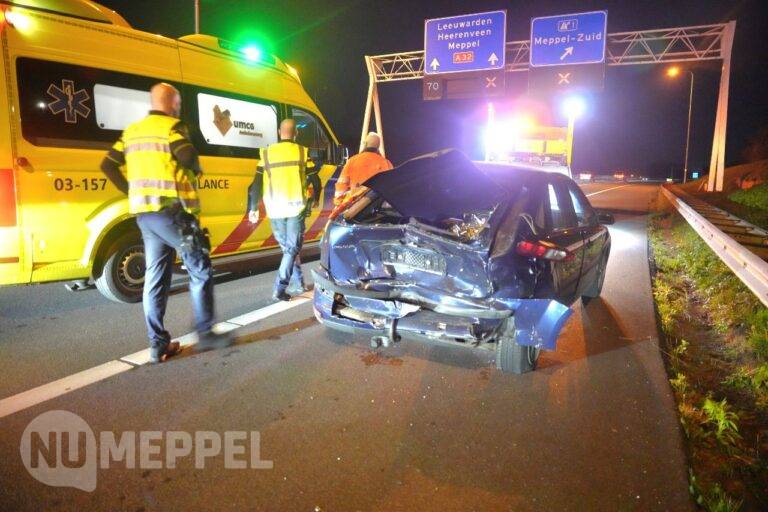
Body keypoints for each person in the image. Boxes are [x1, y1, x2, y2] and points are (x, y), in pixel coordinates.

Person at [100, 83, 231, 363]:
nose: (179, 109)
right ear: (172, 103)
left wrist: (130, 191)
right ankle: (206, 332)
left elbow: (108, 165)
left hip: (145, 217)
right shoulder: (171, 129)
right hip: (172, 214)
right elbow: (187, 156)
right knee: (200, 268)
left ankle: (158, 344)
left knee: (155, 277)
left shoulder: (131, 132)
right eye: (178, 104)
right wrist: (194, 164)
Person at [246, 119, 320, 301]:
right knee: (291, 249)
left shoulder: (267, 153)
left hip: (274, 209)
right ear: (296, 133)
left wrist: (253, 207)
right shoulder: (302, 152)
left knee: (289, 250)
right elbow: (315, 180)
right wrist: (317, 197)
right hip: (295, 208)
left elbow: (255, 184)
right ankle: (280, 288)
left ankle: (298, 283)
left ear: (279, 132)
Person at [334, 132, 393, 205]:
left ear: (365, 144)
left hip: (356, 205)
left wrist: (339, 201)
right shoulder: (387, 163)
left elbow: (342, 184)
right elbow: (392, 187)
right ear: (378, 147)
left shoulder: (352, 161)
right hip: (378, 205)